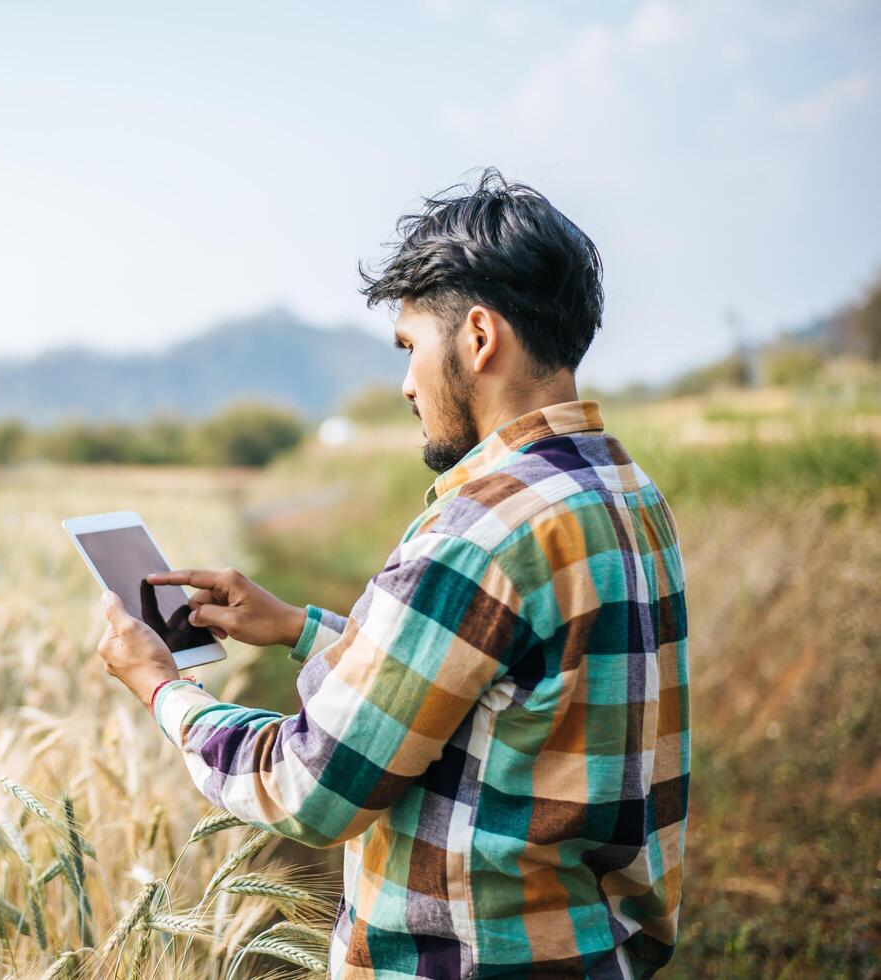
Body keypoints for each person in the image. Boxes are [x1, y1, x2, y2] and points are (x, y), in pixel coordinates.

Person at [95, 168, 689, 979]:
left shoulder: (479, 531)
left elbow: (310, 786)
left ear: (477, 339)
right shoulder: (624, 492)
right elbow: (503, 691)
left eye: (411, 348)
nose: (406, 383)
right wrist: (301, 630)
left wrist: (161, 689)